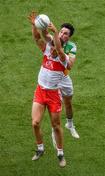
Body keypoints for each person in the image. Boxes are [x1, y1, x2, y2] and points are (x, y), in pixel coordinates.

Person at [28, 12, 71, 167]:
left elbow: (59, 50)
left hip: (53, 95)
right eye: (51, 45)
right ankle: (40, 148)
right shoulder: (47, 50)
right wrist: (35, 25)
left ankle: (60, 153)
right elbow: (38, 38)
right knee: (35, 123)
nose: (52, 48)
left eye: (54, 45)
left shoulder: (63, 58)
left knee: (56, 125)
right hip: (40, 91)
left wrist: (54, 33)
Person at [42, 23, 80, 142]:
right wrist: (41, 25)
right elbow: (44, 35)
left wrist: (60, 50)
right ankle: (55, 131)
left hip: (64, 78)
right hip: (51, 79)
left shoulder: (72, 46)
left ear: (69, 37)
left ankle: (70, 124)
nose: (63, 35)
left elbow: (69, 65)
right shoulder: (53, 39)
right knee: (54, 107)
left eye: (66, 33)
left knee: (68, 103)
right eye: (61, 32)